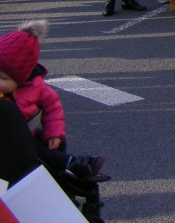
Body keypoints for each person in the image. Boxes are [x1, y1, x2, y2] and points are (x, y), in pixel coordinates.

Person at [0, 20, 105, 179]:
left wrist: (54, 134)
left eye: (3, 78)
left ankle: (70, 167)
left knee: (51, 145)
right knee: (36, 150)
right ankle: (69, 162)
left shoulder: (35, 86)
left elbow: (53, 108)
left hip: (26, 132)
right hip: (9, 139)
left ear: (21, 79)